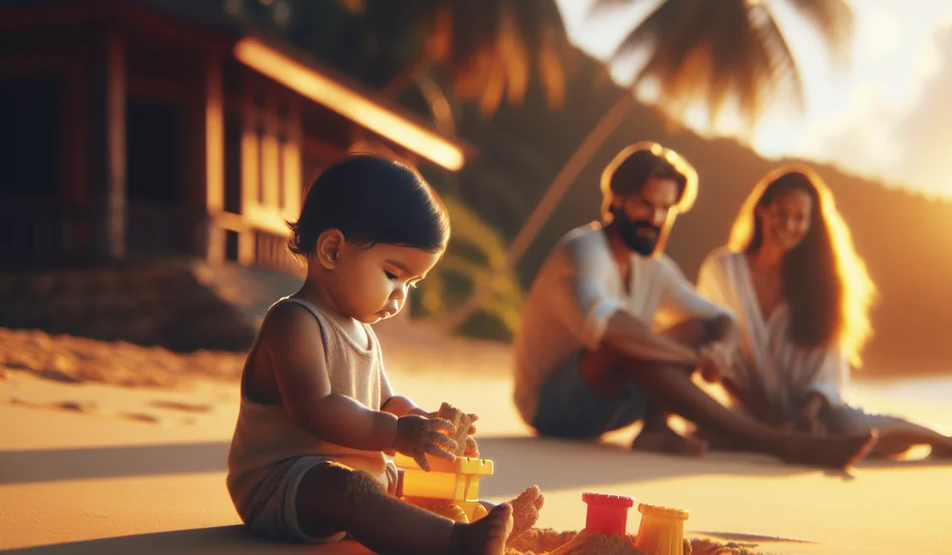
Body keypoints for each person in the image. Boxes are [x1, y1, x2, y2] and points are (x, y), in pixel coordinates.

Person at [226, 155, 542, 555]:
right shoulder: (294, 321)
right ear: (332, 251)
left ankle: (472, 516)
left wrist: (426, 426)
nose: (400, 294)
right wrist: (396, 435)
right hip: (285, 485)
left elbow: (387, 403)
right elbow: (316, 409)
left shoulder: (364, 333)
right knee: (347, 488)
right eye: (393, 274)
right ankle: (456, 541)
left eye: (412, 282)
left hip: (353, 476)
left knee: (396, 481)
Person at [512, 142, 878, 469]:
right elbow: (613, 331)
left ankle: (655, 429)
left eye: (665, 209)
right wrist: (691, 359)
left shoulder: (653, 268)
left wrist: (718, 349)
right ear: (616, 200)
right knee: (626, 342)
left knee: (699, 327)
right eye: (644, 204)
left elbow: (722, 318)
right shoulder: (582, 251)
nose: (654, 220)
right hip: (552, 410)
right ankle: (776, 441)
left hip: (612, 409)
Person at [696, 166, 952, 461]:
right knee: (711, 431)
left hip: (813, 413)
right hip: (748, 410)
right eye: (781, 213)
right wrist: (771, 420)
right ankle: (787, 440)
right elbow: (716, 351)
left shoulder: (821, 285)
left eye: (800, 219)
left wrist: (806, 416)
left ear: (811, 225)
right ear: (762, 211)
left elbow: (826, 374)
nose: (789, 226)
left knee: (874, 430)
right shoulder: (723, 269)